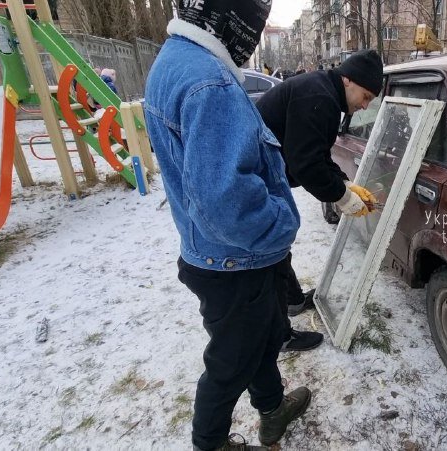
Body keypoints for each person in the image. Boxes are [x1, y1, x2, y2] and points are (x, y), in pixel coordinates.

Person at [143, 1, 311, 449]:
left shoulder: (177, 60)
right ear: (226, 16)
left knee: (263, 340)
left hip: (218, 254)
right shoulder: (210, 83)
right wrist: (283, 223)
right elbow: (226, 200)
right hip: (235, 262)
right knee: (231, 363)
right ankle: (211, 443)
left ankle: (273, 411)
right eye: (253, 21)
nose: (253, 36)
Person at [255, 49, 384, 346]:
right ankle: (280, 335)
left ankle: (292, 301)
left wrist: (343, 183)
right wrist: (341, 197)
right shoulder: (319, 97)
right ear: (348, 80)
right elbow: (306, 165)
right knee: (268, 255)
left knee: (276, 247)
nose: (364, 106)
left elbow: (317, 155)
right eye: (365, 96)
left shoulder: (322, 91)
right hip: (257, 180)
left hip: (266, 176)